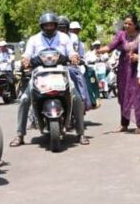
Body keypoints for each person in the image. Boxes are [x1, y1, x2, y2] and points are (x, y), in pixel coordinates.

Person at [10, 13, 86, 147]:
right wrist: (25, 60)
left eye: (52, 25)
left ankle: (81, 133)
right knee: (24, 99)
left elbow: (71, 52)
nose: (49, 27)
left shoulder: (64, 38)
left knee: (77, 99)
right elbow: (27, 54)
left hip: (61, 73)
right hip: (40, 74)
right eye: (46, 25)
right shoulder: (34, 39)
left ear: (56, 25)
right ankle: (20, 135)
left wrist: (74, 57)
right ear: (42, 26)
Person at [102, 14, 140, 131]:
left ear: (135, 25)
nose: (126, 26)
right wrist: (101, 50)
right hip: (123, 69)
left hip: (138, 69)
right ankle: (124, 124)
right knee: (123, 95)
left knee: (137, 95)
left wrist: (139, 57)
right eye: (125, 23)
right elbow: (111, 46)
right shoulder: (121, 35)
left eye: (129, 24)